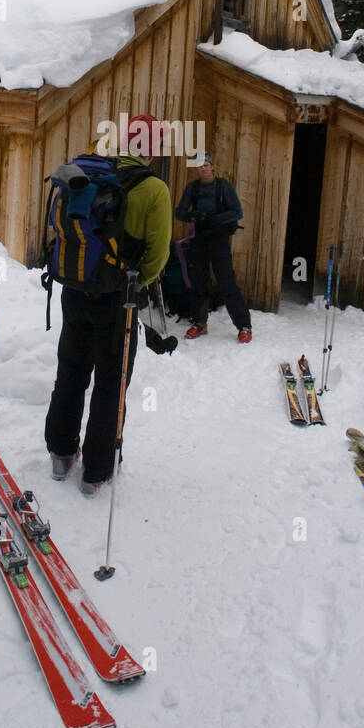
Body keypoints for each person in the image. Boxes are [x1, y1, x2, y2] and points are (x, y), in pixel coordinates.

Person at [44, 114, 172, 494]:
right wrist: (135, 283)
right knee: (110, 384)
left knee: (71, 371)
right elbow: (157, 255)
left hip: (74, 288)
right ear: (150, 148)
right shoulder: (153, 189)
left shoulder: (90, 172)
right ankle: (96, 472)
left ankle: (60, 453)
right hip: (119, 301)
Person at [175, 153, 251, 342]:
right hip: (198, 239)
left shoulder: (223, 186)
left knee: (227, 282)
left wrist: (216, 219)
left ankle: (243, 326)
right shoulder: (192, 189)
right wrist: (192, 217)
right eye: (200, 166)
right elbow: (180, 212)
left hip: (219, 239)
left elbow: (237, 211)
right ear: (196, 169)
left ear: (212, 166)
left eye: (206, 165)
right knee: (198, 281)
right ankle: (199, 323)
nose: (203, 168)